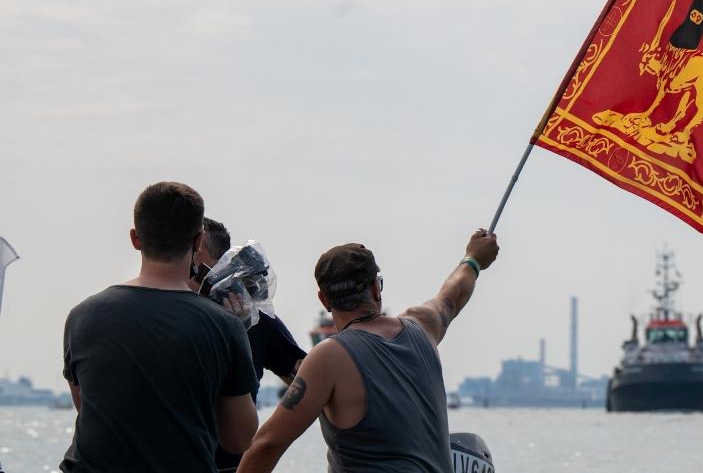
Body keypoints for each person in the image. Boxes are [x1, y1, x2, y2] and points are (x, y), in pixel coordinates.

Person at [238, 229, 500, 473]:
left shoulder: (329, 357)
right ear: (376, 287)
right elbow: (452, 295)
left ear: (324, 300)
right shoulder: (423, 326)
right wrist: (473, 259)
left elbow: (267, 445)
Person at [61, 182, 259, 472]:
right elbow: (239, 438)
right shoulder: (225, 326)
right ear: (199, 241)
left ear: (135, 238)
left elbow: (89, 408)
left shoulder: (82, 316)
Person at [196, 217, 308, 472]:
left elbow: (307, 380)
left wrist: (267, 441)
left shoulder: (257, 322)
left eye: (196, 268)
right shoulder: (166, 318)